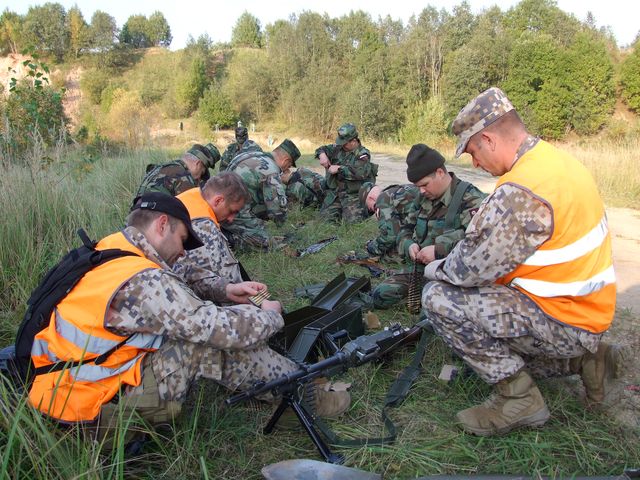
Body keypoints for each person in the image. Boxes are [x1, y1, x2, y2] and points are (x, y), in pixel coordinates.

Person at [28, 192, 349, 441]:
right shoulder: (143, 281)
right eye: (183, 240)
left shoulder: (115, 248)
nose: (183, 251)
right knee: (202, 345)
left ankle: (288, 385)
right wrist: (270, 315)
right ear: (163, 224)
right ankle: (304, 397)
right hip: (90, 417)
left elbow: (180, 275)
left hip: (64, 393)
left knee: (191, 329)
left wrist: (227, 289)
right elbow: (220, 329)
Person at [422, 87, 620, 436]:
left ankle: (519, 399)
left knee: (439, 297)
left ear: (488, 139)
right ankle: (586, 359)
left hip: (564, 319)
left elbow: (466, 270)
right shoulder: (555, 162)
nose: (475, 164)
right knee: (489, 346)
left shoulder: (523, 189)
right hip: (585, 310)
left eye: (473, 152)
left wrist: (432, 267)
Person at [371, 144, 486, 309]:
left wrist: (439, 250)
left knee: (433, 309)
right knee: (381, 296)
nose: (422, 191)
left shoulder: (471, 199)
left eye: (425, 185)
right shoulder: (422, 197)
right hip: (420, 270)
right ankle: (422, 299)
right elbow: (405, 229)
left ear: (440, 172)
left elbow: (480, 243)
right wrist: (409, 245)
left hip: (452, 274)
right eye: (418, 187)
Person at [173, 172, 250, 301]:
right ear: (218, 200)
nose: (231, 219)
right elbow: (213, 285)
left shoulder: (190, 197)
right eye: (232, 211)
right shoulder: (204, 228)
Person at [224, 139, 300, 251]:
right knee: (267, 244)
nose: (287, 169)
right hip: (233, 214)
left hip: (221, 207)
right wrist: (283, 224)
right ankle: (228, 239)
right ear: (286, 160)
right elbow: (277, 210)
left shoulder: (249, 155)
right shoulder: (271, 169)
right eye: (289, 166)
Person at [316, 123, 378, 223]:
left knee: (352, 223)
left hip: (353, 195)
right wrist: (322, 155)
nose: (341, 145)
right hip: (336, 194)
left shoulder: (363, 154)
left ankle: (365, 209)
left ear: (353, 141)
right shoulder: (338, 148)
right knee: (324, 221)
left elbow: (360, 172)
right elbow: (321, 149)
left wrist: (339, 168)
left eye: (344, 143)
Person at [134, 143, 221, 201]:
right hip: (151, 224)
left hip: (133, 222)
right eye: (202, 172)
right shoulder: (183, 177)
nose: (199, 179)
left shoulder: (162, 167)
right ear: (197, 164)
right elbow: (191, 212)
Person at [358, 182, 421, 258]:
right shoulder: (396, 190)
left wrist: (371, 247)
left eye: (371, 208)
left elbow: (389, 237)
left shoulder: (383, 199)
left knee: (391, 255)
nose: (374, 211)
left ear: (371, 198)